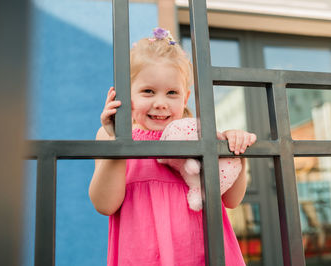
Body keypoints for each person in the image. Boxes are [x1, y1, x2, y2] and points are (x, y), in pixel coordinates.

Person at [89, 27, 257, 266]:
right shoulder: (108, 136)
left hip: (201, 253)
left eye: (172, 93)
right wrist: (119, 142)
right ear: (126, 94)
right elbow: (104, 204)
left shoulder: (200, 135)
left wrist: (234, 151)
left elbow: (231, 199)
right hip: (143, 255)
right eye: (148, 91)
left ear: (185, 97)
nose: (160, 103)